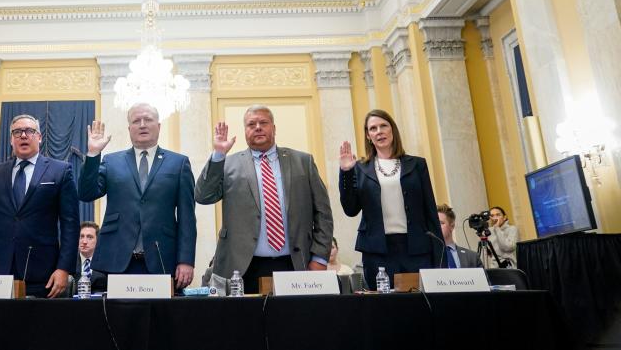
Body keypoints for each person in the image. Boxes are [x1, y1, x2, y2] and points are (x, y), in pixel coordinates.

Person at [194, 105, 333, 294]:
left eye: (263, 123)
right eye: (251, 124)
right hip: (242, 267)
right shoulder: (228, 163)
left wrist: (320, 258)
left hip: (295, 263)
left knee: (295, 322)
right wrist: (218, 155)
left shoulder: (303, 161)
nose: (258, 127)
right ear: (245, 131)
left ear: (274, 128)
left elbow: (323, 213)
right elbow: (203, 196)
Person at [77, 102, 197, 291]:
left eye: (148, 119)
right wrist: (93, 154)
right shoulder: (111, 161)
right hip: (117, 259)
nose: (142, 124)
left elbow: (187, 218)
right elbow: (86, 193)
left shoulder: (179, 163)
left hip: (162, 258)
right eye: (136, 121)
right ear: (129, 128)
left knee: (162, 318)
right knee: (118, 318)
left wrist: (186, 260)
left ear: (158, 126)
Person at [0, 114, 78, 298]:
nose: (23, 135)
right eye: (17, 132)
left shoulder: (60, 171)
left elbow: (70, 225)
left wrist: (64, 268)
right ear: (11, 139)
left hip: (42, 270)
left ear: (39, 137)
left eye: (29, 131)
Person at [338, 109, 443, 290]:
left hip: (416, 248)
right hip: (378, 250)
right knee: (384, 308)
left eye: (383, 126)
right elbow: (350, 209)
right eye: (373, 128)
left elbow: (430, 211)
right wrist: (346, 172)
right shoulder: (361, 168)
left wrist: (441, 258)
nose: (379, 131)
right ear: (368, 136)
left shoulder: (417, 165)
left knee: (419, 304)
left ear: (392, 130)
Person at [437, 204, 481, 268]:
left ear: (452, 226)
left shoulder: (472, 257)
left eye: (441, 223)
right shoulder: (427, 257)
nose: (436, 226)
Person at [74, 221, 107, 291]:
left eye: (90, 237)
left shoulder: (106, 264)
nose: (84, 241)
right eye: (82, 237)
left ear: (98, 241)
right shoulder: (69, 263)